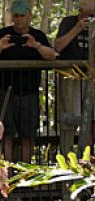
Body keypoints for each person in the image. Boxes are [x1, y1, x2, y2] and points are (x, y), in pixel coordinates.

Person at [0, 0, 56, 164]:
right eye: (16, 16)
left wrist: (36, 46)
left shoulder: (37, 36)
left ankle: (26, 173)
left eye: (22, 15)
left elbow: (52, 56)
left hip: (29, 93)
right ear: (12, 16)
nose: (19, 19)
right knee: (5, 134)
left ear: (30, 16)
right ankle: (7, 174)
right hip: (4, 92)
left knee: (28, 135)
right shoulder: (3, 34)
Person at [55, 0, 94, 155]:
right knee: (70, 120)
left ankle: (88, 161)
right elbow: (58, 46)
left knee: (91, 121)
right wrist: (78, 27)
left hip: (91, 78)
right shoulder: (69, 22)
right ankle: (66, 158)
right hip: (71, 77)